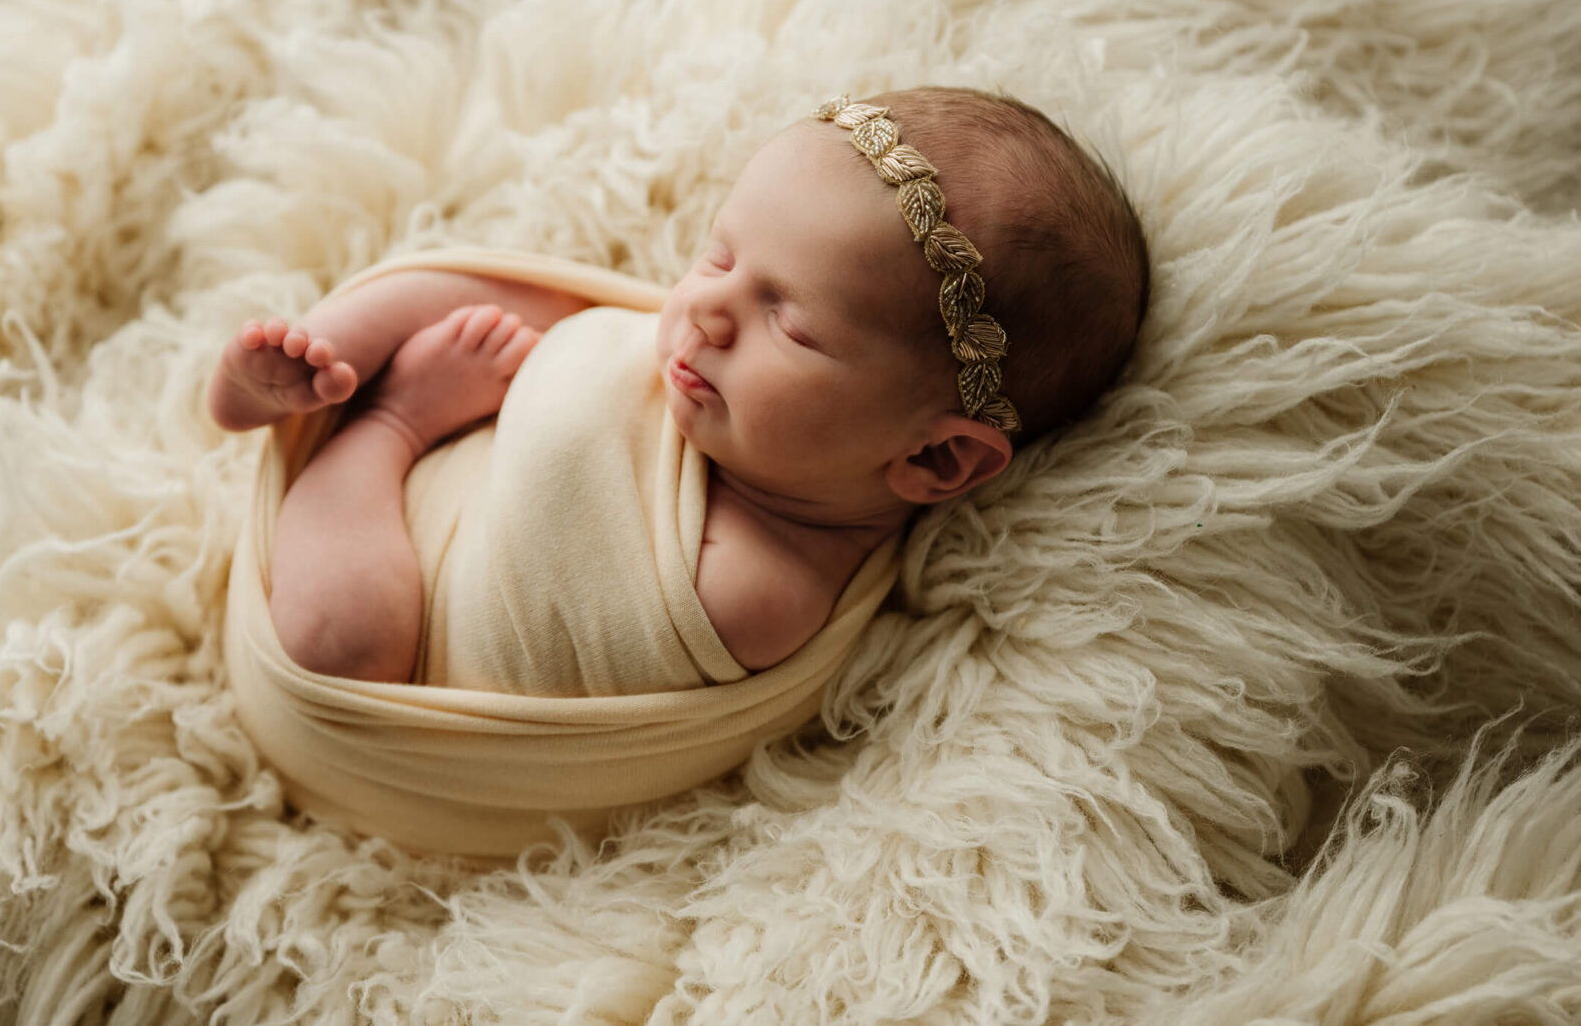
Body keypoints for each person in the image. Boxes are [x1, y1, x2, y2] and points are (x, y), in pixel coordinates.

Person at [208, 86, 1149, 691]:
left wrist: (430, 414)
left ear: (935, 454)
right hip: (446, 475)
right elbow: (571, 316)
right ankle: (313, 363)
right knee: (521, 307)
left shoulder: (758, 590)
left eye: (791, 320)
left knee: (344, 637)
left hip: (403, 637)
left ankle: (379, 424)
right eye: (722, 251)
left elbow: (564, 495)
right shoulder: (719, 371)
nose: (705, 309)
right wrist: (554, 347)